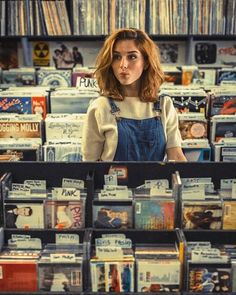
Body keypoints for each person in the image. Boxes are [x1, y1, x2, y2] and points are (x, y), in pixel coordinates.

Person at [82, 28, 187, 161]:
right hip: (113, 182)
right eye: (116, 57)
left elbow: (176, 156)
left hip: (156, 182)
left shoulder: (164, 105)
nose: (123, 65)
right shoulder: (100, 107)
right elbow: (90, 165)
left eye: (132, 57)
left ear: (146, 62)